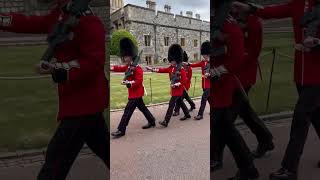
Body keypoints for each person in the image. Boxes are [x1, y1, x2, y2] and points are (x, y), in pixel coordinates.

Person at [0, 0, 110, 179]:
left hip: (84, 104)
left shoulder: (90, 22)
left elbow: (92, 63)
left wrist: (56, 68)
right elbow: (29, 22)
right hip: (78, 103)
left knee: (55, 162)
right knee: (105, 149)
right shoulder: (60, 14)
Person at [233, 0, 320, 179]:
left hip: (318, 76)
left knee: (300, 118)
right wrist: (250, 8)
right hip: (302, 73)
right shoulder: (298, 3)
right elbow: (273, 11)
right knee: (317, 116)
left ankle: (289, 169)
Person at [211, 0, 274, 172]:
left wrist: (229, 65)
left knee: (226, 119)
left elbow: (252, 53)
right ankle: (265, 139)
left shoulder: (253, 23)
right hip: (233, 75)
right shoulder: (229, 18)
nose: (233, 8)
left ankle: (216, 156)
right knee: (244, 112)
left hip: (243, 75)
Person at [110, 38, 156, 138]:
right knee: (143, 108)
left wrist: (129, 83)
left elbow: (139, 81)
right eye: (124, 56)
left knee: (127, 112)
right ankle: (152, 121)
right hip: (134, 94)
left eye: (126, 56)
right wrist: (111, 67)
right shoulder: (129, 66)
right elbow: (120, 68)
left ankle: (121, 130)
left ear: (130, 56)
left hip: (136, 93)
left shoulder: (137, 68)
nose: (124, 58)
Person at [146, 44, 191, 127]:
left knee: (171, 105)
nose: (171, 62)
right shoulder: (171, 68)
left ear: (176, 60)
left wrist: (177, 84)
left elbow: (184, 80)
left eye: (172, 61)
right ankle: (187, 114)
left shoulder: (181, 69)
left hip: (178, 90)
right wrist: (152, 69)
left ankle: (166, 121)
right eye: (171, 61)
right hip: (174, 90)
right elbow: (162, 70)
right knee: (180, 102)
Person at [188, 41, 211, 120]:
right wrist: (187, 64)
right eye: (203, 54)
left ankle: (200, 114)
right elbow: (194, 65)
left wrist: (209, 74)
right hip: (204, 84)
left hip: (210, 85)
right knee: (209, 98)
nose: (203, 56)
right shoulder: (202, 62)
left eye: (204, 54)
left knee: (204, 98)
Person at [173, 51, 196, 116]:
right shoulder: (181, 67)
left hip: (186, 85)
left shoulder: (189, 68)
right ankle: (193, 105)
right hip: (181, 85)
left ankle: (176, 110)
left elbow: (189, 78)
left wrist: (183, 80)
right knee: (186, 97)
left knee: (179, 98)